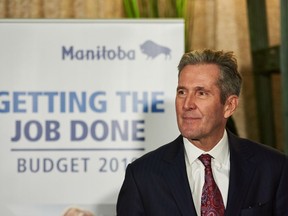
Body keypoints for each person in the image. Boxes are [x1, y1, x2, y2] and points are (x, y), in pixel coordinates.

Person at [116, 49, 288, 216]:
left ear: (229, 106)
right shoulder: (142, 176)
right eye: (182, 92)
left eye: (201, 93)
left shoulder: (272, 168)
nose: (187, 104)